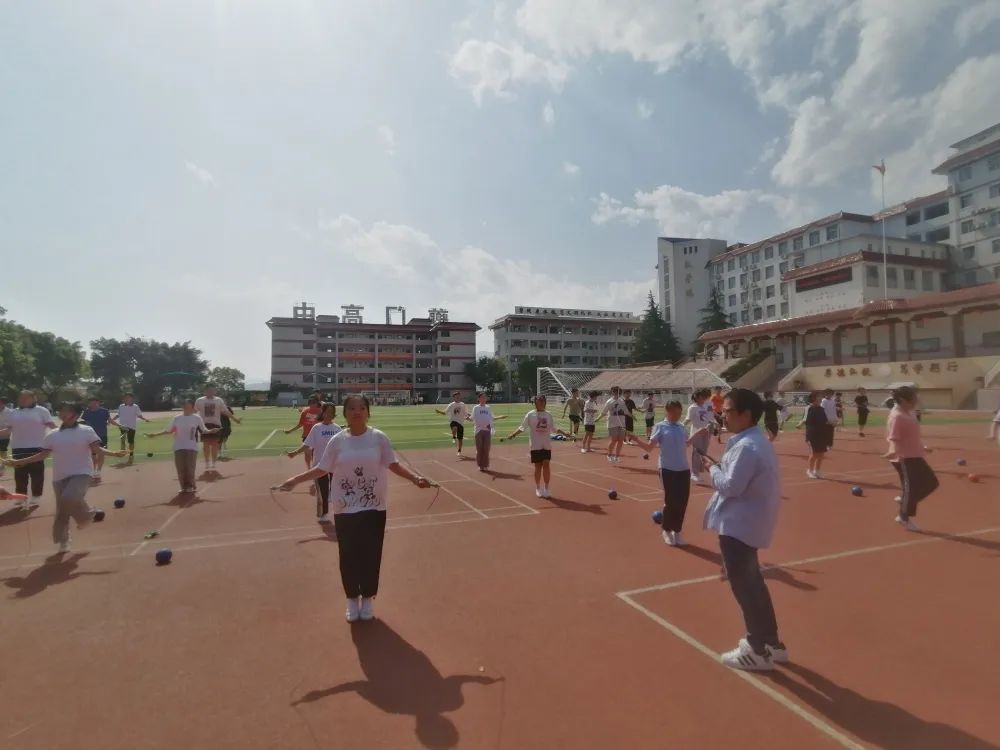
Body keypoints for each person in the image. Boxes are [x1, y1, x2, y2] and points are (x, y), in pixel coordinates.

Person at [276, 394, 432, 623]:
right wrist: (295, 480)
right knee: (348, 555)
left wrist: (415, 479)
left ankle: (367, 597)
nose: (357, 412)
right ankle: (352, 598)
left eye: (362, 408)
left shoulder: (379, 438)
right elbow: (322, 468)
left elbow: (393, 464)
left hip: (374, 506)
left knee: (371, 554)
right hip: (345, 507)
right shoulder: (337, 440)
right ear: (345, 413)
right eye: (352, 408)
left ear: (368, 412)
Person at [701, 389, 786, 671]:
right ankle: (771, 642)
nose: (722, 415)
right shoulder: (754, 441)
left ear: (745, 414)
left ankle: (756, 649)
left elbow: (731, 486)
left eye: (727, 411)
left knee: (745, 587)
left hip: (739, 525)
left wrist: (711, 470)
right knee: (754, 584)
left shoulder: (747, 446)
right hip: (748, 522)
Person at [2, 403, 126, 552]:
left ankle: (86, 516)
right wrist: (19, 462)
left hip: (82, 472)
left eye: (66, 412)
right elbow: (42, 455)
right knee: (62, 511)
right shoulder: (52, 434)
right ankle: (64, 541)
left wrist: (114, 453)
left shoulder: (86, 431)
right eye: (61, 411)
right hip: (59, 476)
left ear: (75, 415)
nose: (62, 414)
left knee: (69, 497)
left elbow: (97, 449)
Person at [635, 400, 705, 546]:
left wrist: (698, 433)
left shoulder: (681, 427)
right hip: (667, 469)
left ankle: (677, 531)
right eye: (675, 412)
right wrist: (636, 440)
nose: (678, 415)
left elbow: (685, 444)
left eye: (680, 413)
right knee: (671, 502)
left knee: (682, 502)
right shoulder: (660, 427)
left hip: (683, 469)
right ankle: (666, 530)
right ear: (668, 411)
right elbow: (649, 448)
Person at [883, 386, 939, 532]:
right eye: (913, 399)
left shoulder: (909, 412)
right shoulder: (897, 416)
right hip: (904, 457)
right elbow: (894, 437)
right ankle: (904, 517)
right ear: (902, 400)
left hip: (916, 454)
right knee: (911, 488)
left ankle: (906, 502)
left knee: (932, 483)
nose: (916, 401)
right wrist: (893, 450)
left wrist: (923, 447)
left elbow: (912, 435)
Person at [0, 391, 57, 509]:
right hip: (18, 447)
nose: (22, 400)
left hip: (37, 446)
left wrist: (65, 433)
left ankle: (36, 496)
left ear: (33, 398)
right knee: (20, 474)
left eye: (26, 398)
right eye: (21, 398)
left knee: (36, 474)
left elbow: (52, 426)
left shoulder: (42, 411)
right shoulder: (14, 412)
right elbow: (8, 429)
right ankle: (21, 497)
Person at [145, 398, 215, 494]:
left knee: (190, 467)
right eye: (184, 405)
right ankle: (183, 486)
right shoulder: (177, 418)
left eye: (188, 405)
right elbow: (168, 431)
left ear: (192, 407)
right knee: (180, 468)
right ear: (183, 407)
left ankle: (191, 486)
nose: (186, 407)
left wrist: (211, 431)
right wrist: (155, 434)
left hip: (192, 446)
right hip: (178, 446)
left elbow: (204, 430)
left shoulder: (196, 418)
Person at [505, 395, 570, 498]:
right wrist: (513, 434)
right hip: (535, 445)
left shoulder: (548, 415)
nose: (541, 403)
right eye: (539, 401)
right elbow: (522, 427)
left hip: (546, 444)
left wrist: (564, 433)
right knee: (538, 466)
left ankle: (547, 488)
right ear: (535, 403)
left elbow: (553, 429)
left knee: (546, 465)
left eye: (543, 401)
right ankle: (538, 487)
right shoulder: (530, 414)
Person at [287, 402, 342, 522]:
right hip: (320, 465)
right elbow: (307, 444)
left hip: (335, 465)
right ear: (323, 412)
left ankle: (341, 512)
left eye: (332, 412)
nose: (329, 414)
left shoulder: (337, 429)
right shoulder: (317, 428)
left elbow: (342, 447)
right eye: (327, 412)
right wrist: (295, 453)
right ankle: (324, 514)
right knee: (323, 491)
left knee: (337, 490)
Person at [196, 384, 241, 471]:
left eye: (212, 390)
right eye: (209, 390)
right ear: (205, 391)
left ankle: (213, 462)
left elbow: (226, 411)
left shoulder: (218, 400)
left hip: (216, 424)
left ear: (215, 391)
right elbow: (194, 411)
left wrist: (235, 419)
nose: (211, 392)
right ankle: (207, 462)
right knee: (205, 445)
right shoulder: (199, 400)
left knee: (214, 445)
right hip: (204, 425)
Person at [80, 397, 116, 481]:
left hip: (102, 435)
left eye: (94, 402)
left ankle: (98, 471)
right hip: (90, 436)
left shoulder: (104, 411)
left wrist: (120, 426)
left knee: (101, 453)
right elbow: (84, 423)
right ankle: (93, 470)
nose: (92, 404)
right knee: (93, 454)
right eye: (90, 403)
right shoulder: (86, 412)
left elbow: (110, 420)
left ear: (98, 402)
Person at [284, 395, 323, 469]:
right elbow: (300, 424)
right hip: (307, 436)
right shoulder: (305, 411)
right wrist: (290, 431)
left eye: (314, 403)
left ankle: (317, 468)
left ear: (317, 403)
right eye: (310, 403)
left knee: (316, 453)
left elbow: (324, 423)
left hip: (318, 436)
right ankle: (309, 468)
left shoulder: (321, 411)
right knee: (307, 453)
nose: (312, 405)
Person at [470, 393, 506, 472]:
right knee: (479, 449)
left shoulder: (488, 408)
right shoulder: (475, 408)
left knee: (486, 449)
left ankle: (485, 465)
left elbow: (492, 418)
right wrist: (467, 418)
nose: (483, 399)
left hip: (487, 430)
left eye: (485, 397)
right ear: (478, 399)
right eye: (482, 397)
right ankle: (480, 465)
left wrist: (500, 417)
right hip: (478, 431)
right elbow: (472, 418)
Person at [684, 389, 714, 483]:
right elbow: (687, 419)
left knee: (703, 452)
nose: (703, 398)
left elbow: (710, 416)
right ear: (697, 398)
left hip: (707, 431)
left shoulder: (707, 405)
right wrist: (679, 426)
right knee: (697, 452)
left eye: (704, 397)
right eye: (701, 397)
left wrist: (715, 423)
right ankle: (694, 473)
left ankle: (699, 471)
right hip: (697, 432)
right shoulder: (692, 408)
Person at [797, 391, 829, 479]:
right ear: (813, 398)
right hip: (812, 434)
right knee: (814, 454)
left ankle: (817, 470)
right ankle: (810, 471)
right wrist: (800, 424)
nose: (820, 398)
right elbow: (804, 419)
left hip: (822, 434)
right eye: (818, 396)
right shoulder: (809, 408)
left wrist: (832, 423)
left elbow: (825, 420)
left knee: (821, 454)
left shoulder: (822, 409)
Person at [114, 394, 150, 464]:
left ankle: (131, 455)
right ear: (124, 399)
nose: (128, 399)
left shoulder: (135, 406)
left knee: (131, 442)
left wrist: (145, 419)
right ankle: (123, 451)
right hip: (122, 426)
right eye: (126, 398)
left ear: (132, 399)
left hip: (131, 426)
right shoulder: (121, 406)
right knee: (122, 439)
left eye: (129, 398)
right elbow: (118, 414)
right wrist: (111, 420)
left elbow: (139, 415)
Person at [599, 386, 628, 463]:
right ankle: (609, 455)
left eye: (619, 392)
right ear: (613, 392)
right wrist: (598, 419)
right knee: (614, 440)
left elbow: (625, 411)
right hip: (612, 423)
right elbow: (604, 412)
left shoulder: (622, 401)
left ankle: (617, 456)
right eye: (615, 392)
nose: (617, 393)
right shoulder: (609, 401)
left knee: (621, 440)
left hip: (621, 423)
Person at [435, 391, 469, 458]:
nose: (458, 397)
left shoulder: (463, 404)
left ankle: (459, 451)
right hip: (453, 421)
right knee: (454, 428)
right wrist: (439, 411)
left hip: (461, 423)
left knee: (460, 439)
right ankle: (453, 437)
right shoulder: (451, 405)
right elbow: (445, 412)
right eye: (456, 396)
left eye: (459, 396)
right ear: (454, 397)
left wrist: (470, 416)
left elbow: (466, 413)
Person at [0, 397, 12, 477]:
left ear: (3, 403)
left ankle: (2, 466)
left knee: (3, 450)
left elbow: (10, 425)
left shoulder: (9, 412)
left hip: (4, 435)